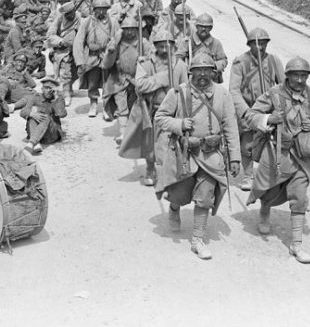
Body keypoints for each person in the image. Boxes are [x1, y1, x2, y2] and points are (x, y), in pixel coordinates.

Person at [154, 54, 240, 260]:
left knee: (204, 197)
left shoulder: (223, 95)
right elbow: (160, 117)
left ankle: (197, 239)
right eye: (198, 70)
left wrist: (235, 157)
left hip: (211, 154)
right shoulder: (178, 92)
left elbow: (230, 126)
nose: (202, 74)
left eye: (207, 70)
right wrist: (179, 124)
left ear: (213, 72)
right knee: (180, 194)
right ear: (191, 72)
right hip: (185, 153)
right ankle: (174, 208)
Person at [246, 57, 310, 264]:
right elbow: (250, 114)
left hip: (303, 155)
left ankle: (296, 244)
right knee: (267, 188)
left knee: (300, 197)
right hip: (276, 152)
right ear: (288, 76)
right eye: (296, 75)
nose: (300, 80)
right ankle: (264, 210)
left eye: (304, 76)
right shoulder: (273, 94)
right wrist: (268, 119)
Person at [122, 29, 188, 186]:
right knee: (150, 143)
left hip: (173, 111)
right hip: (152, 109)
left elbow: (186, 88)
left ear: (173, 46)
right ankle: (150, 169)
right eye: (160, 46)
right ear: (155, 46)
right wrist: (162, 78)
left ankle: (170, 172)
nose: (164, 50)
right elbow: (140, 85)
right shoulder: (145, 63)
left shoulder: (180, 65)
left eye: (168, 46)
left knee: (172, 143)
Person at [229, 28, 284, 191]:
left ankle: (272, 173)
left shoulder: (274, 61)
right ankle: (247, 175)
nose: (260, 47)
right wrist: (245, 112)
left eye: (263, 43)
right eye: (256, 44)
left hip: (268, 107)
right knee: (247, 144)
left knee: (273, 141)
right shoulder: (240, 62)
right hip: (247, 105)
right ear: (250, 44)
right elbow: (234, 90)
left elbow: (283, 85)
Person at [73, 0, 116, 118]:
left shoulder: (112, 21)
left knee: (108, 82)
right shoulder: (87, 22)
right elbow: (79, 41)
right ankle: (93, 103)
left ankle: (107, 107)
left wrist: (112, 47)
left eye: (103, 9)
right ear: (94, 10)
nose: (101, 12)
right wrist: (80, 60)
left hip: (107, 56)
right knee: (92, 82)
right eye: (98, 9)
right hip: (92, 57)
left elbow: (117, 37)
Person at [18, 76, 67, 154]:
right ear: (42, 89)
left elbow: (62, 114)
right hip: (36, 132)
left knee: (45, 117)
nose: (48, 91)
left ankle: (31, 143)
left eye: (51, 88)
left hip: (51, 134)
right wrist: (31, 113)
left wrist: (56, 99)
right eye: (46, 88)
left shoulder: (58, 99)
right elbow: (23, 112)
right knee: (33, 116)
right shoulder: (35, 97)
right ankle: (36, 143)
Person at [47, 1, 79, 106]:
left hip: (77, 49)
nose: (70, 15)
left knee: (77, 72)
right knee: (66, 73)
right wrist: (60, 41)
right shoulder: (59, 20)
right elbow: (50, 35)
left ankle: (69, 87)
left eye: (71, 13)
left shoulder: (80, 19)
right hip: (63, 51)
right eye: (67, 14)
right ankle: (66, 95)